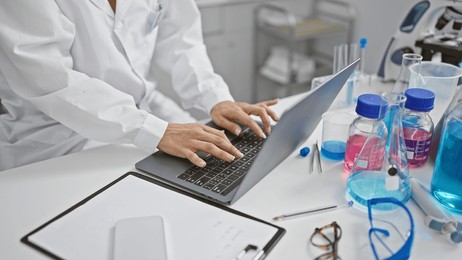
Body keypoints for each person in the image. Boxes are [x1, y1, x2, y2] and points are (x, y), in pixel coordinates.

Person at [0, 0, 278, 171]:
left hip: (141, 110)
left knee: (223, 162)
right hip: (53, 141)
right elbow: (52, 79)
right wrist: (153, 130)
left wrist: (216, 98)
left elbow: (181, 40)